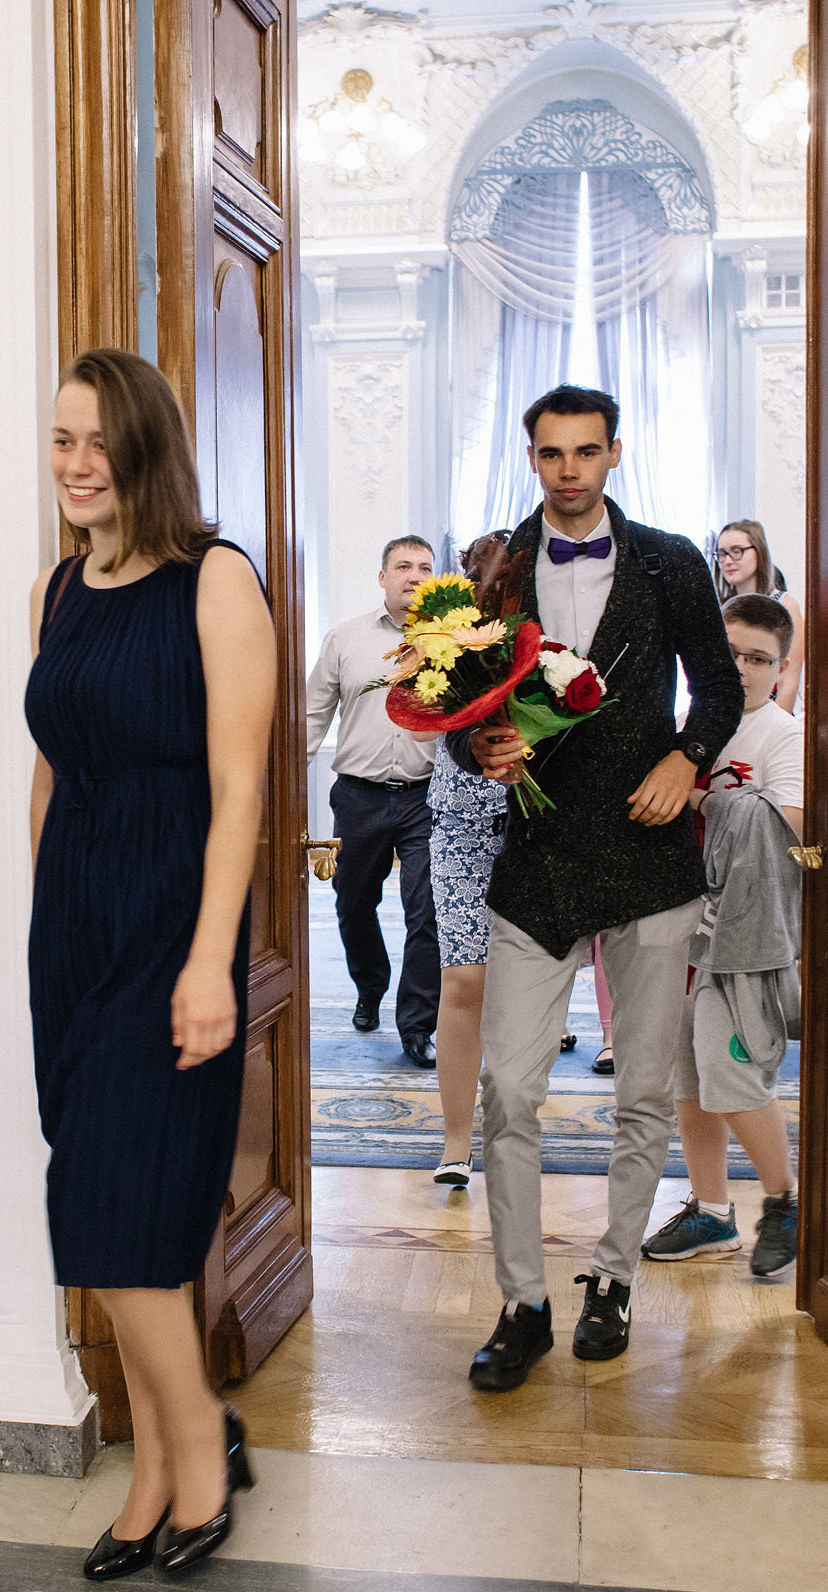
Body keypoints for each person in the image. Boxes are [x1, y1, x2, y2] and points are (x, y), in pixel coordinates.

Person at [25, 347, 273, 1579]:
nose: (75, 465)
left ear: (143, 447)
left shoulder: (217, 581)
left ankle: (186, 1460)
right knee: (102, 1203)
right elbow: (53, 770)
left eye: (95, 442)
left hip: (173, 920)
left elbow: (241, 790)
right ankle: (175, 1454)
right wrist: (42, 916)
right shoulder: (56, 591)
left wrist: (212, 960)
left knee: (121, 1217)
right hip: (74, 927)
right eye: (60, 440)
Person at [452, 385, 744, 1393]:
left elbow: (718, 681)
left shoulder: (670, 559)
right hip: (533, 867)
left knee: (645, 1093)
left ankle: (613, 1278)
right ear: (530, 457)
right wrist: (476, 742)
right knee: (510, 1092)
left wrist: (689, 758)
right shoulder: (491, 565)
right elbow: (457, 701)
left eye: (586, 451)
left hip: (649, 859)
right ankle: (523, 1301)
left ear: (615, 453)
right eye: (550, 453)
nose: (568, 469)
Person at [643, 593, 805, 1277]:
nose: (741, 668)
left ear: (781, 666)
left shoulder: (781, 735)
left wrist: (703, 797)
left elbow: (789, 826)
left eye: (758, 659)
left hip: (739, 937)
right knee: (685, 1074)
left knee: (731, 1069)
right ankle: (711, 1211)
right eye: (731, 653)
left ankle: (786, 1202)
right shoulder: (694, 724)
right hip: (681, 923)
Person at [305, 536, 440, 1066]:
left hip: (426, 798)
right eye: (402, 566)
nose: (413, 575)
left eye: (424, 568)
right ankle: (370, 985)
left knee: (426, 910)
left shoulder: (457, 643)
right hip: (358, 796)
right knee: (352, 901)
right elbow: (314, 714)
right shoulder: (346, 639)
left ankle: (417, 1026)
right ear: (382, 577)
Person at [422, 532, 514, 1186]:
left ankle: (516, 1135)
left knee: (528, 989)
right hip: (461, 823)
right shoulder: (447, 640)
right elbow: (444, 723)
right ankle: (457, 1140)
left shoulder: (552, 631)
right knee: (465, 979)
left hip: (538, 823)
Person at [711, 518, 805, 712]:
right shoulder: (719, 610)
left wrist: (775, 728)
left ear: (759, 551)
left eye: (737, 551)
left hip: (770, 714)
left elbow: (789, 680)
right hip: (727, 715)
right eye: (721, 554)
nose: (727, 560)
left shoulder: (785, 605)